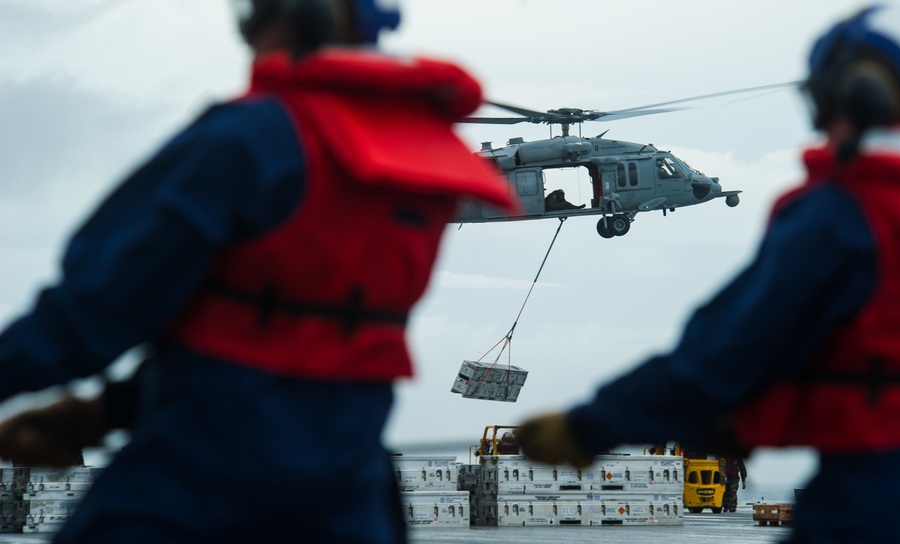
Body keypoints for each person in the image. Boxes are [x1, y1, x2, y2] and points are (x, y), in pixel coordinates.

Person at [0, 0, 514, 542]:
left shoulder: (249, 138)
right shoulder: (419, 159)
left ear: (291, 15)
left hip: (201, 480)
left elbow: (94, 310)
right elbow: (288, 335)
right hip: (346, 493)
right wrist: (107, 412)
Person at [515, 5, 900, 543]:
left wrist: (590, 427)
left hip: (882, 500)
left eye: (823, 105)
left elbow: (719, 358)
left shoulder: (845, 217)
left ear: (864, 98)